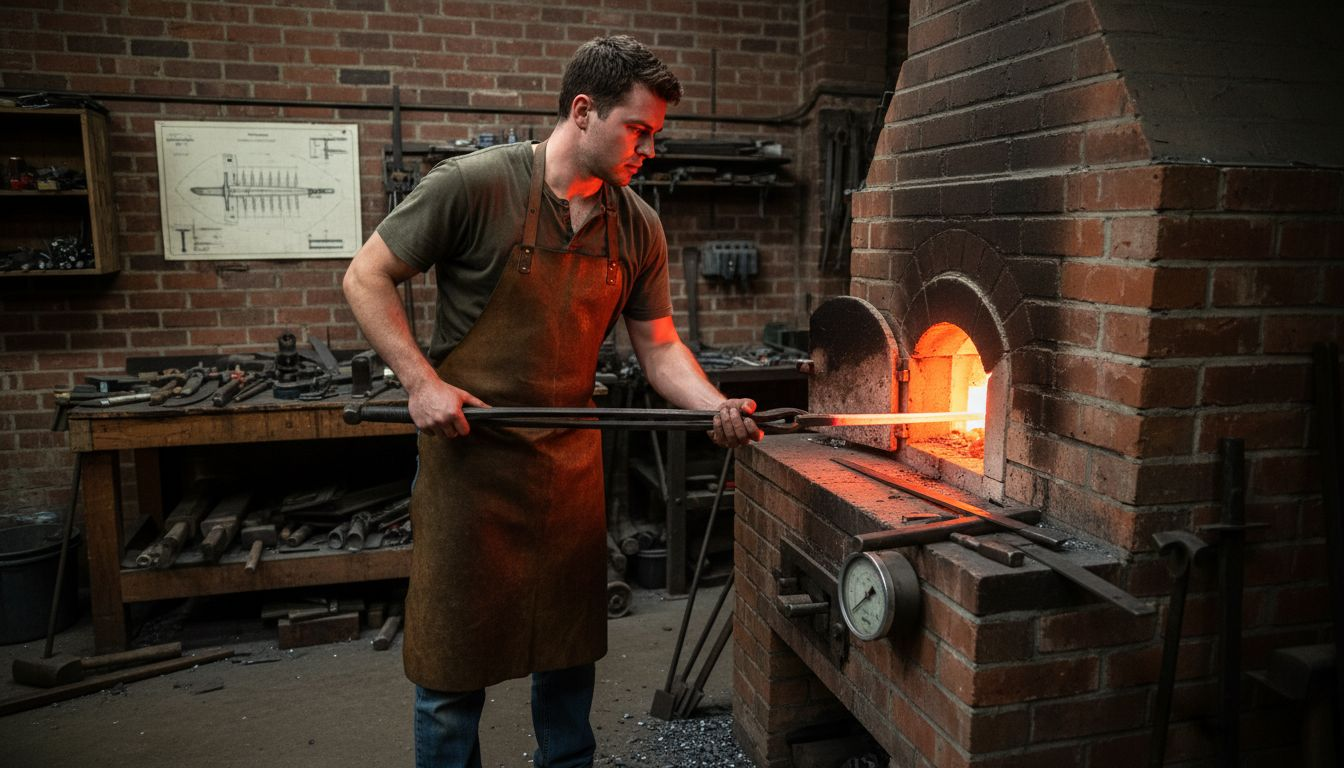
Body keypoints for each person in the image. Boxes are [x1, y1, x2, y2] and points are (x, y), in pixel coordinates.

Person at [342, 35, 761, 768]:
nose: (648, 150)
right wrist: (421, 382)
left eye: (654, 136)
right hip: (469, 462)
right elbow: (365, 276)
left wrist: (713, 406)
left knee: (567, 660)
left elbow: (659, 348)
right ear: (582, 111)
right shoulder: (473, 185)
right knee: (451, 670)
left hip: (567, 466)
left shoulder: (639, 224)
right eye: (638, 130)